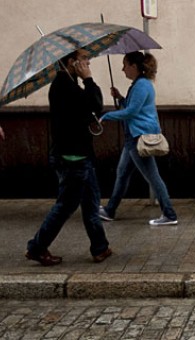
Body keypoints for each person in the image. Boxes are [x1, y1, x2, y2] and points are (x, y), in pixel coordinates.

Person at [25, 49, 112, 266]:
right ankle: (37, 247)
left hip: (81, 154)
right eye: (83, 59)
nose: (88, 62)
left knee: (91, 203)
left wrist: (89, 121)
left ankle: (100, 247)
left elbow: (83, 112)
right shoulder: (64, 86)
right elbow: (95, 103)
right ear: (71, 62)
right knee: (65, 205)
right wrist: (89, 79)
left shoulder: (69, 85)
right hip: (72, 157)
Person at [99, 51, 178, 226]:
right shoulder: (138, 84)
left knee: (152, 177)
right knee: (122, 174)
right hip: (132, 138)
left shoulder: (142, 85)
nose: (122, 69)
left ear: (134, 66)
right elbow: (131, 106)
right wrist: (120, 97)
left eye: (125, 65)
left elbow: (132, 112)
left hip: (139, 137)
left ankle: (170, 214)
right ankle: (110, 210)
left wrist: (106, 117)